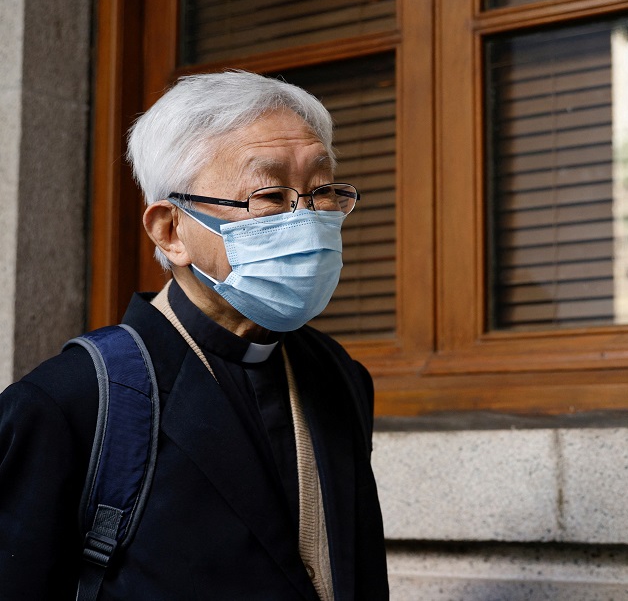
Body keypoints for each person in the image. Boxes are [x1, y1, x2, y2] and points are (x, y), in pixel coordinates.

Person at [0, 71, 389, 600]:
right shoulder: (69, 404)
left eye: (322, 191)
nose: (309, 218)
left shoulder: (338, 375)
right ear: (170, 230)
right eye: (270, 195)